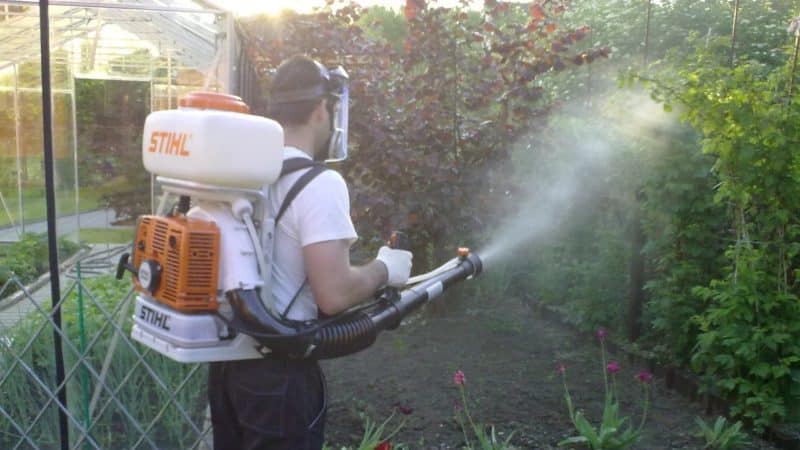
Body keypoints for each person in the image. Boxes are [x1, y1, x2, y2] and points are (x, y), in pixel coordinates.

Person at [207, 55, 413, 449]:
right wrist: (385, 268)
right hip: (279, 373)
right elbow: (333, 295)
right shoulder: (319, 183)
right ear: (322, 110)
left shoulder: (241, 175)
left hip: (229, 367)